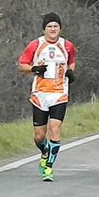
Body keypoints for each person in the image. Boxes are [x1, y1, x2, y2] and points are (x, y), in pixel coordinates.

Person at [17, 12, 76, 181]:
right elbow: (21, 65)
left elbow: (71, 61)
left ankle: (49, 168)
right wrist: (34, 69)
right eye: (49, 26)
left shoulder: (67, 45)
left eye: (55, 26)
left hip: (59, 94)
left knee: (55, 128)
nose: (52, 29)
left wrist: (71, 71)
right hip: (40, 94)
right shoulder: (35, 44)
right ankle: (44, 152)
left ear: (60, 28)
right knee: (39, 136)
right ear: (44, 29)